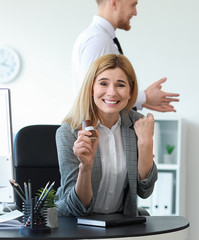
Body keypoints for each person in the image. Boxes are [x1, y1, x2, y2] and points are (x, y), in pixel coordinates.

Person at [55, 54, 157, 216]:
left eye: (120, 85)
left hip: (119, 222)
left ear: (131, 92)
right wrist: (85, 167)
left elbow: (145, 191)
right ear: (91, 88)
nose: (112, 92)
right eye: (103, 83)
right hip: (77, 223)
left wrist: (146, 143)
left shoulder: (138, 124)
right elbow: (76, 207)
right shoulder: (70, 131)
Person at [72, 0, 179, 112]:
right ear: (114, 3)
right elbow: (93, 93)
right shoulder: (99, 40)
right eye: (133, 5)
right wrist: (145, 96)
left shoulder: (99, 37)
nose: (135, 12)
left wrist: (143, 101)